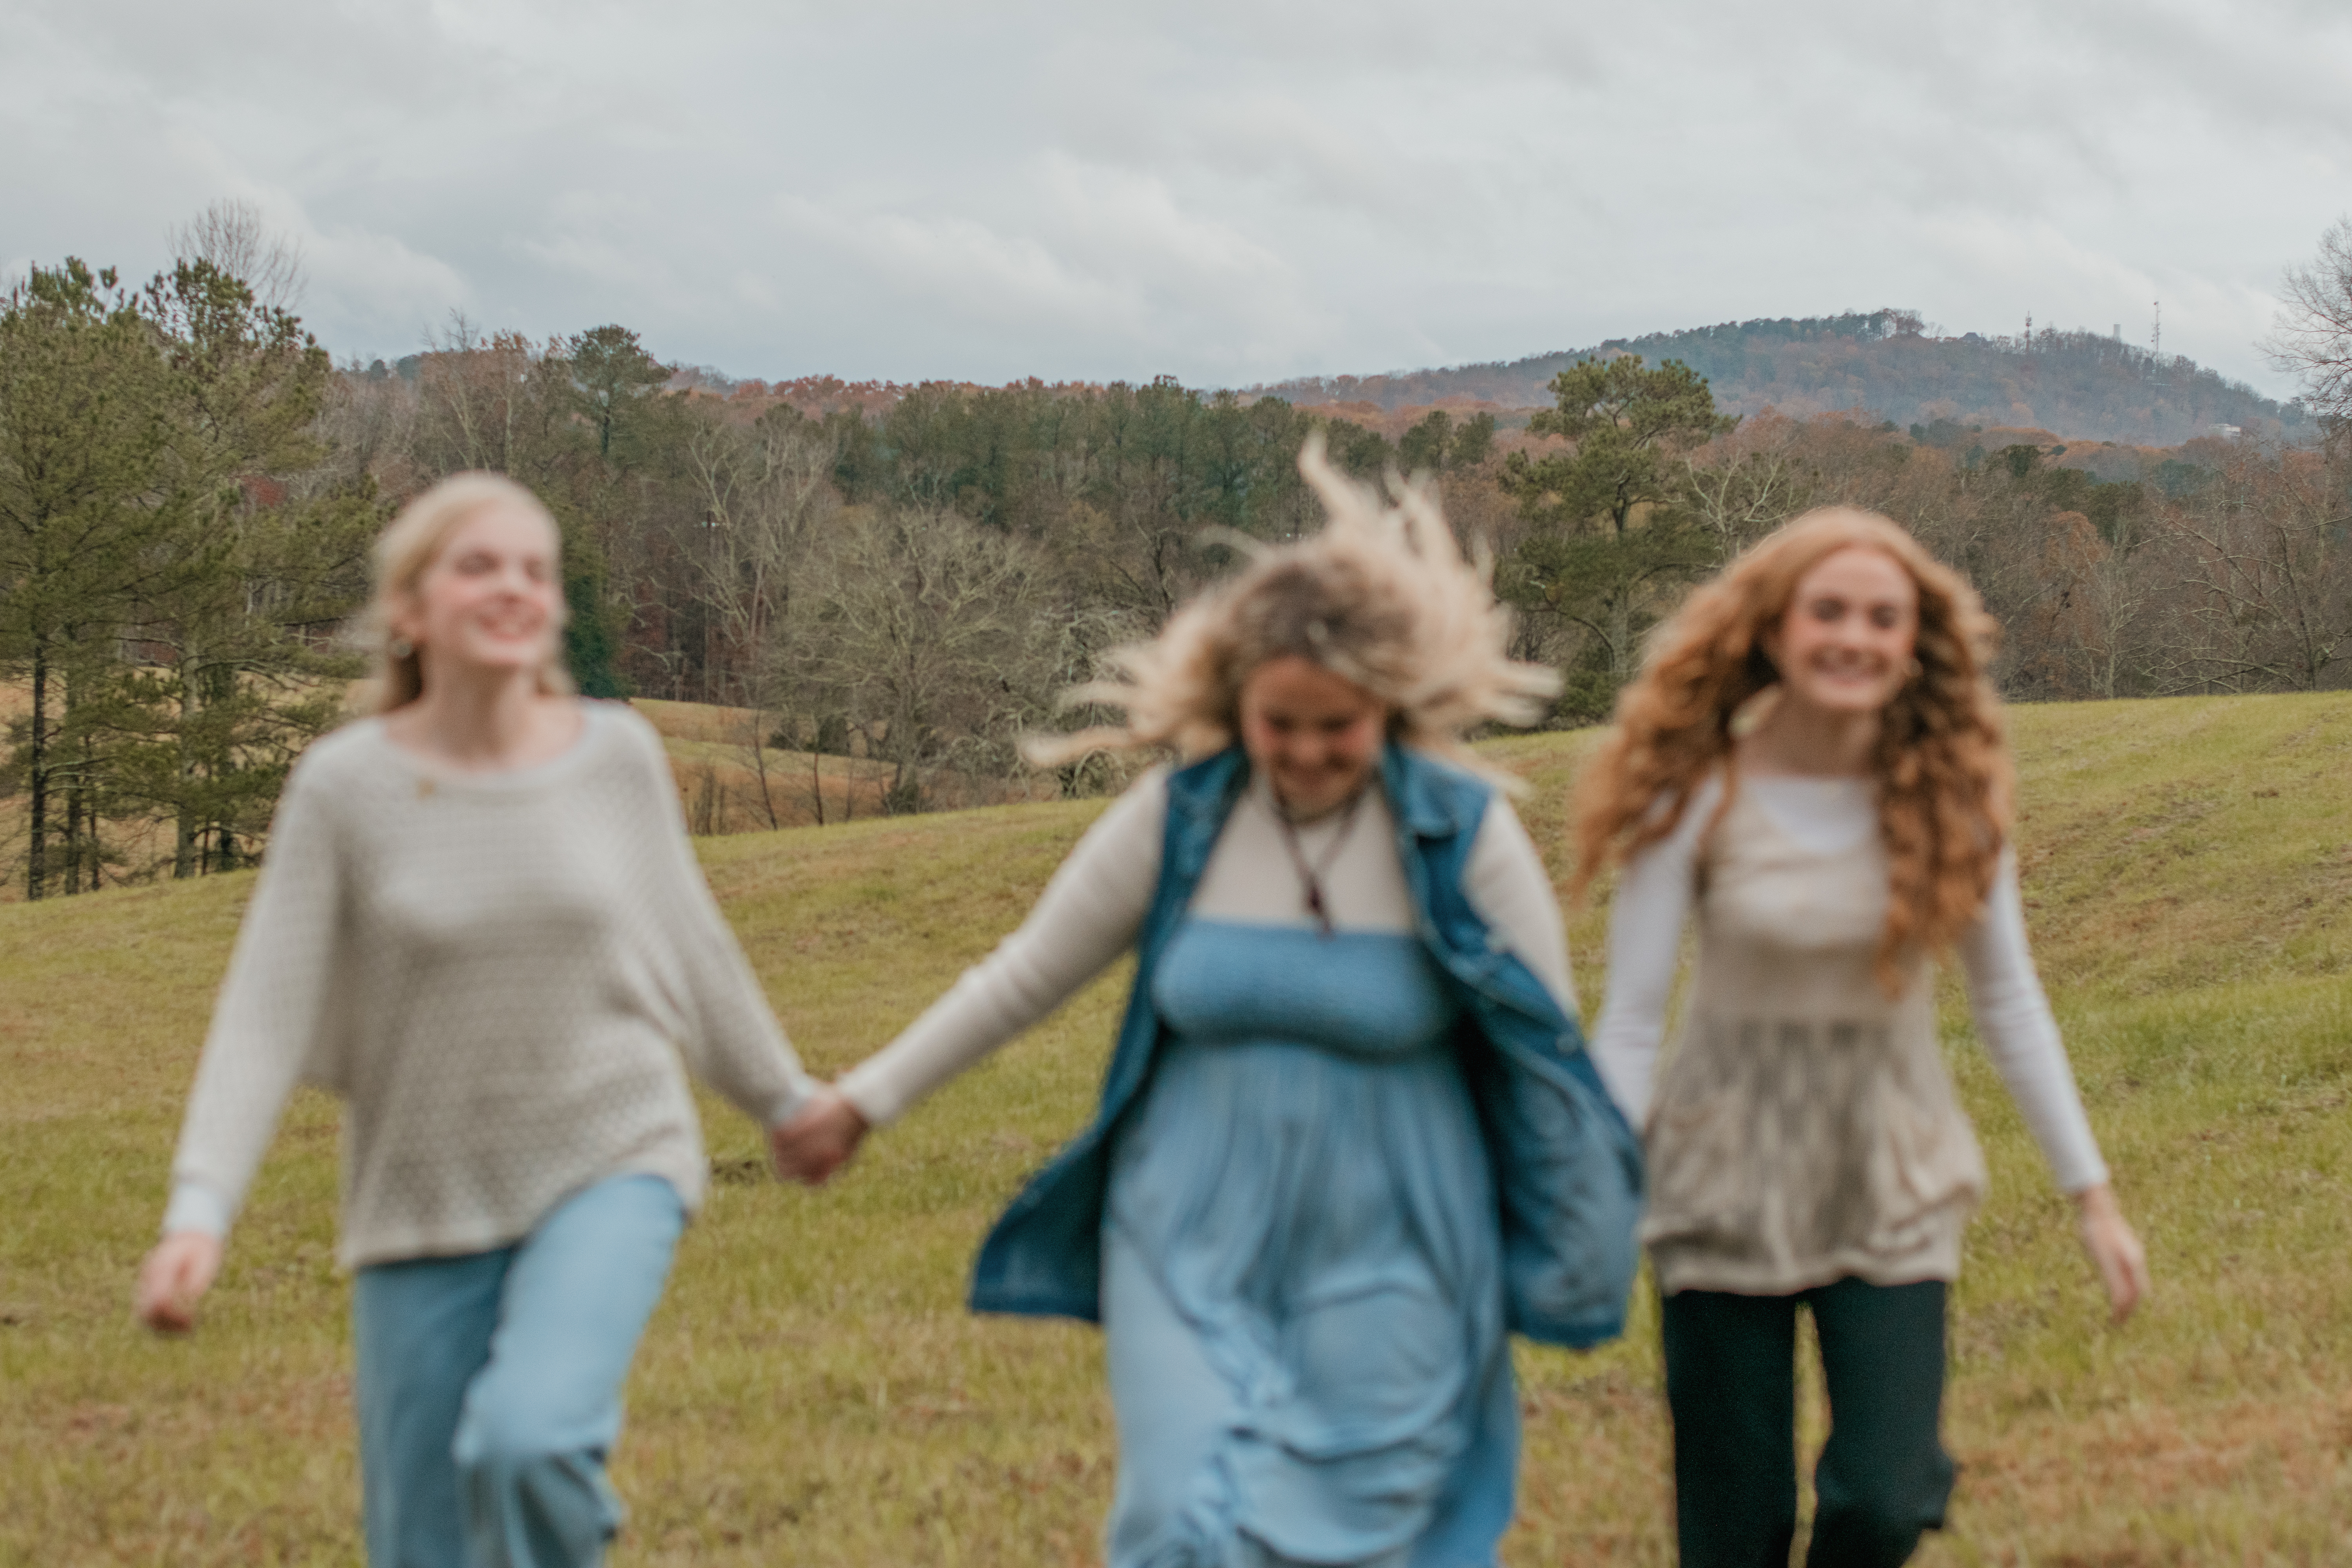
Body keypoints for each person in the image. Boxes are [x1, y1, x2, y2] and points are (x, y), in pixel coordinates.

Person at [772, 441, 1642, 1568]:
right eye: (1282, 724)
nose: (1310, 752)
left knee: (1376, 1534)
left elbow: (1548, 1056)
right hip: (1187, 1224)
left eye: (1340, 726)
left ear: (1390, 706)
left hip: (1403, 1235)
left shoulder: (1461, 835)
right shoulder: (1179, 820)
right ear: (1238, 704)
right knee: (1179, 1518)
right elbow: (1024, 975)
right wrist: (862, 1103)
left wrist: (1599, 1202)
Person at [133, 472, 816, 1568]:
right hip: (419, 1199)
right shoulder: (343, 787)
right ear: (409, 608)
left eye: (535, 570)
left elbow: (694, 954)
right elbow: (265, 1011)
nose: (514, 588)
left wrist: (786, 1105)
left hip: (611, 1159)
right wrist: (199, 1212)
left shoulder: (615, 758)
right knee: (423, 1545)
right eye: (480, 565)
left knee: (528, 1442)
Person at [1574, 507, 2150, 1568]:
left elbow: (2010, 1003)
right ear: (1774, 629)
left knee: (1885, 1497)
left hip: (1890, 1175)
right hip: (1719, 1178)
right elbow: (1631, 1025)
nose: (1854, 637)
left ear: (1914, 640)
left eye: (1883, 618)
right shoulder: (1695, 795)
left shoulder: (1950, 800)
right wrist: (1593, 1192)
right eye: (1828, 611)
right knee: (1735, 1531)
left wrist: (2094, 1200)